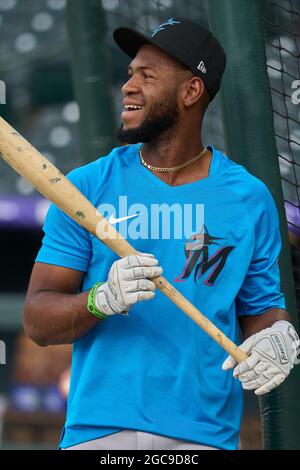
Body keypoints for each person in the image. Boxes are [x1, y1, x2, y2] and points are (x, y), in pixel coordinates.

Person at [24, 17, 299, 451]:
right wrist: (101, 299)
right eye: (130, 74)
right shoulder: (88, 185)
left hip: (202, 434)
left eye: (146, 76)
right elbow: (38, 318)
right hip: (98, 432)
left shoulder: (248, 198)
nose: (127, 87)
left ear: (192, 91)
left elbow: (262, 309)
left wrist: (279, 335)